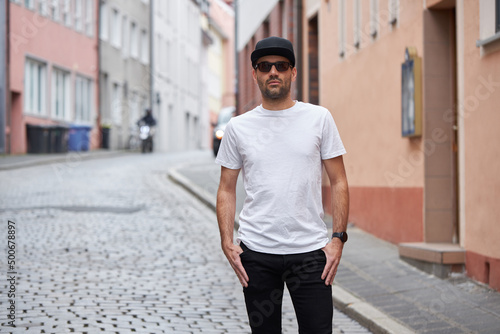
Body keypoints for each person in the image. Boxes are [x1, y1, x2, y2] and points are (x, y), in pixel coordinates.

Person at [215, 36, 349, 334]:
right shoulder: (238, 127)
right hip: (257, 252)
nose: (273, 72)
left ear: (293, 72)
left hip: (311, 252)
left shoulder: (319, 118)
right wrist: (227, 241)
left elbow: (339, 181)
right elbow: (226, 188)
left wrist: (338, 239)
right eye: (265, 66)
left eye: (281, 65)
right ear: (255, 73)